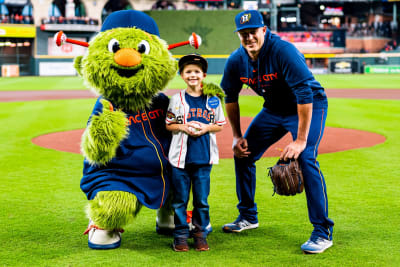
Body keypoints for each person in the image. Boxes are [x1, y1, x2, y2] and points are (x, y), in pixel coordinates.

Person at [220, 10, 334, 254]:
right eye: (243, 34)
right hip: (273, 109)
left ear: (264, 30)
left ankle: (322, 231)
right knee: (244, 153)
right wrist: (237, 136)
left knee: (305, 158)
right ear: (238, 35)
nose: (249, 37)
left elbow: (304, 94)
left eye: (253, 32)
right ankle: (248, 216)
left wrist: (301, 140)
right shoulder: (236, 60)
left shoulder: (283, 51)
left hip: (307, 105)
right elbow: (230, 97)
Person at [166, 54, 226, 252]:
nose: (193, 75)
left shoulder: (213, 100)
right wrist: (184, 126)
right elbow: (169, 125)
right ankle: (181, 235)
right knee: (180, 200)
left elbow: (220, 125)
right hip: (179, 159)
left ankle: (200, 233)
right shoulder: (176, 99)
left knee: (201, 199)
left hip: (203, 158)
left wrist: (206, 128)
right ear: (182, 75)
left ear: (204, 75)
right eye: (188, 72)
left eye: (197, 72)